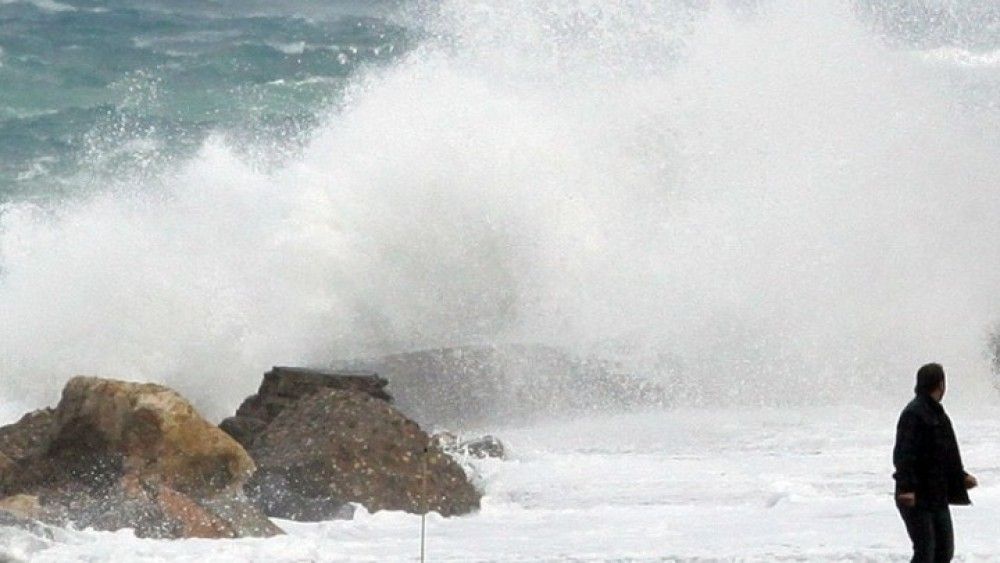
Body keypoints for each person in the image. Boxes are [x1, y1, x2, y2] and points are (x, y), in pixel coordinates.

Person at [893, 363, 978, 562]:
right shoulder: (913, 413)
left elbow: (946, 453)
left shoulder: (938, 413)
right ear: (940, 384)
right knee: (925, 552)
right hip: (917, 496)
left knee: (944, 551)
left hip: (936, 494)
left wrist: (961, 477)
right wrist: (906, 488)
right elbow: (903, 454)